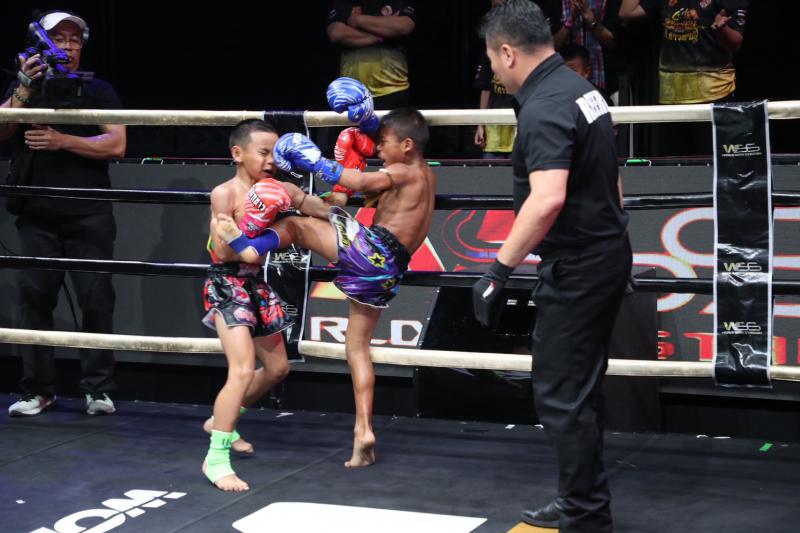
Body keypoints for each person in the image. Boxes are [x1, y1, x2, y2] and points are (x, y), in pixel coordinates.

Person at [473, 1, 631, 531]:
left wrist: (497, 271)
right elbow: (611, 178)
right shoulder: (583, 90)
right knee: (579, 390)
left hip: (581, 264)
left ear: (508, 52)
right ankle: (579, 499)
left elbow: (547, 199)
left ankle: (585, 515)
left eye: (492, 61)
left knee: (562, 392)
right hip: (604, 252)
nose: (494, 73)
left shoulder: (544, 106)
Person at [217, 107, 436, 468]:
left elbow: (361, 182)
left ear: (408, 145)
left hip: (374, 250)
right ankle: (363, 432)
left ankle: (249, 248)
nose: (379, 149)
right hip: (391, 267)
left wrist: (318, 163)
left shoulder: (403, 170)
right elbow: (362, 196)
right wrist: (338, 194)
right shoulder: (426, 176)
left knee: (296, 225)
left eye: (384, 143)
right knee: (357, 347)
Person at [1, 10, 126, 417]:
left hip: (89, 212)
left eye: (74, 40)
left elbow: (116, 144)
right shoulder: (24, 87)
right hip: (37, 212)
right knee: (35, 300)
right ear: (41, 43)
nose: (68, 47)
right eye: (59, 39)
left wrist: (63, 140)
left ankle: (98, 390)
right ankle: (37, 390)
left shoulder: (98, 89)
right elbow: (2, 131)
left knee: (96, 299)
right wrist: (24, 87)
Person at [203, 119, 331, 492]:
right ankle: (216, 458)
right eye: (263, 152)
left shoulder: (282, 189)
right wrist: (255, 217)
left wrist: (335, 187)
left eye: (276, 153)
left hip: (257, 283)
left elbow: (322, 210)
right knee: (242, 370)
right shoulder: (224, 194)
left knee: (277, 368)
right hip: (227, 283)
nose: (271, 160)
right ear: (238, 153)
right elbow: (224, 250)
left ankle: (221, 421)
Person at [619, 0, 748, 155]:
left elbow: (736, 43)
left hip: (713, 92)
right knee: (674, 163)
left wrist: (722, 29)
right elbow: (626, 12)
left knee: (708, 160)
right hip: (671, 95)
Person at [326, 1, 417, 109]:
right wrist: (383, 35)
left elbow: (403, 27)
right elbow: (337, 33)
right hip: (351, 92)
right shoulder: (345, 3)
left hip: (393, 90)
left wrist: (356, 20)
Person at [474, 0, 517, 160]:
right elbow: (485, 89)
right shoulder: (488, 54)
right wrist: (481, 124)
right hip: (493, 129)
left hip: (517, 126)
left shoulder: (521, 53)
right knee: (490, 170)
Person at [553, 0, 622, 97]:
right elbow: (552, 47)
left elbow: (611, 42)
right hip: (565, 79)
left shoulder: (608, 2)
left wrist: (589, 17)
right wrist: (570, 20)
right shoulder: (555, 3)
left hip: (605, 78)